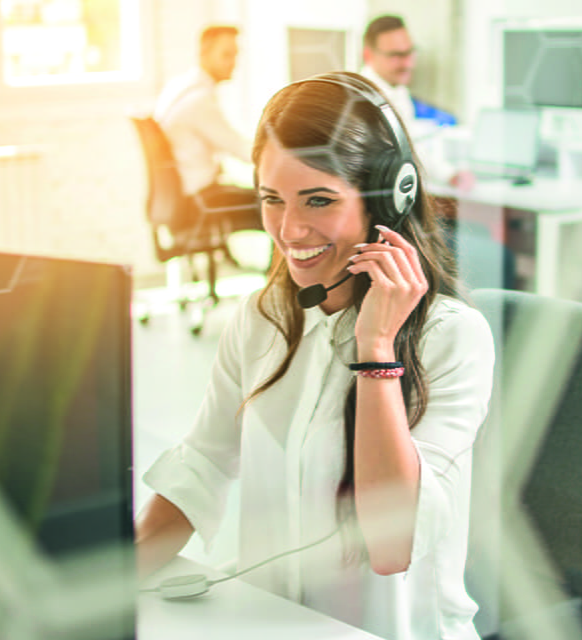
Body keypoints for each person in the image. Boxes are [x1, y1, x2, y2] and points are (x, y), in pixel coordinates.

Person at [135, 71, 495, 640]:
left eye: (319, 200)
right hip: (275, 623)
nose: (289, 228)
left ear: (390, 197)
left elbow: (390, 543)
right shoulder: (262, 318)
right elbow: (202, 463)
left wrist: (376, 353)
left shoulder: (453, 338)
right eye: (272, 199)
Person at [153, 25, 258, 224]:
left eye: (236, 55)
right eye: (226, 55)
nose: (234, 63)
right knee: (276, 205)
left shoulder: (177, 86)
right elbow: (243, 150)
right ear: (204, 53)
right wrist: (288, 155)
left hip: (179, 198)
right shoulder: (198, 101)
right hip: (201, 201)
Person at [361, 15, 473, 190]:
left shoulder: (398, 91)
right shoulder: (361, 98)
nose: (408, 63)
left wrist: (449, 174)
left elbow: (412, 145)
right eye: (396, 55)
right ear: (368, 55)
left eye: (410, 52)